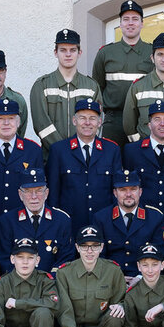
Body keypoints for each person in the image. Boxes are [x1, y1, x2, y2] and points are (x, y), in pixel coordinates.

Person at [55, 225, 127, 327]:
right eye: (84, 246)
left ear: (101, 247)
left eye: (94, 246)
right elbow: (64, 312)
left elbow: (121, 299)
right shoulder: (64, 273)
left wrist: (122, 306)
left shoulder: (113, 270)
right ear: (77, 247)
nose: (89, 251)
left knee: (115, 315)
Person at [47, 98, 122, 235]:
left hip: (103, 226)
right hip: (69, 226)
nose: (87, 123)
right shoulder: (59, 150)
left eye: (93, 118)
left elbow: (116, 192)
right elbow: (53, 194)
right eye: (82, 118)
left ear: (100, 122)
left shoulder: (112, 150)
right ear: (74, 121)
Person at [30, 29, 104, 155]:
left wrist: (81, 148)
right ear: (55, 53)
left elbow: (97, 122)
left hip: (84, 157)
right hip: (52, 156)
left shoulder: (91, 86)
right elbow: (41, 124)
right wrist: (64, 151)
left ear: (79, 53)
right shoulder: (42, 85)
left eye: (73, 50)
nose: (68, 54)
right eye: (63, 50)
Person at [92, 0, 154, 147]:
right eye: (126, 19)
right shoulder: (106, 53)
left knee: (141, 165)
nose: (130, 23)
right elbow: (98, 89)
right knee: (111, 165)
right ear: (120, 23)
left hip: (144, 119)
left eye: (135, 19)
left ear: (142, 23)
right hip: (113, 121)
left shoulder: (152, 52)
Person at [0, 168, 74, 275]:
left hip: (52, 285)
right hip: (18, 286)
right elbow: (4, 260)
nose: (34, 196)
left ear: (47, 193)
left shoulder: (62, 220)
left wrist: (48, 281)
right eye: (28, 191)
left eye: (39, 190)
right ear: (20, 195)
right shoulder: (7, 222)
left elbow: (66, 259)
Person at [94, 169, 164, 280]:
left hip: (145, 279)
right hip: (110, 280)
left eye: (133, 189)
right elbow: (98, 256)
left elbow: (160, 254)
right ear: (115, 193)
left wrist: (140, 278)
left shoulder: (155, 217)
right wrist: (117, 278)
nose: (128, 194)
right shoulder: (101, 218)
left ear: (140, 191)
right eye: (123, 189)